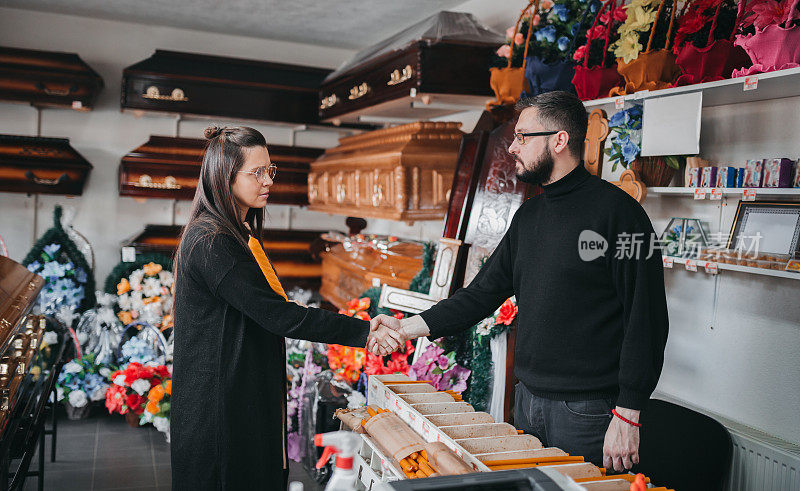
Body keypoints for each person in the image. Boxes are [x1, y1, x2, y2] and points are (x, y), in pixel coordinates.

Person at [369, 91, 669, 472]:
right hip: (527, 401)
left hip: (588, 411)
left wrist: (629, 413)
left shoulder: (621, 215)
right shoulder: (529, 216)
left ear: (559, 140)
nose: (513, 147)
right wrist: (404, 327)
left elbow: (648, 321)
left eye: (523, 137)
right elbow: (480, 296)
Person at [171, 126, 400, 490]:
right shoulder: (214, 242)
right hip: (221, 402)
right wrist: (363, 330)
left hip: (237, 387)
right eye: (256, 172)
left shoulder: (232, 232)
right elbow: (278, 314)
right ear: (224, 178)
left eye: (269, 170)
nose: (268, 181)